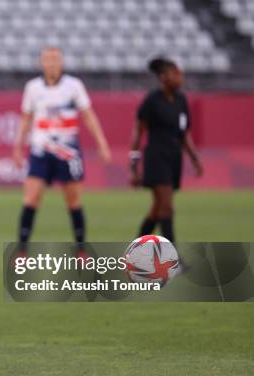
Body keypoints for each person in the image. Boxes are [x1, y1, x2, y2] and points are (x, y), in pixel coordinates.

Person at [13, 47, 111, 252]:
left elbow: (88, 116)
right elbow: (26, 119)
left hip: (68, 152)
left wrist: (101, 143)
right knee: (31, 198)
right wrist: (18, 146)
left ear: (62, 62)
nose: (51, 63)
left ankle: (81, 249)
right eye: (47, 59)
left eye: (55, 59)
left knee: (73, 200)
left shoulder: (74, 86)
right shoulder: (33, 87)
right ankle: (21, 251)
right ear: (41, 63)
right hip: (41, 150)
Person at [130, 57, 202, 242]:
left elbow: (184, 133)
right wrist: (134, 165)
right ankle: (173, 258)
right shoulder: (152, 101)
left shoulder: (181, 100)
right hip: (157, 158)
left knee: (157, 209)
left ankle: (135, 251)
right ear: (163, 77)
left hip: (174, 158)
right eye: (176, 74)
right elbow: (138, 131)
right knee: (167, 208)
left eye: (181, 74)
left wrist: (194, 158)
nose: (180, 78)